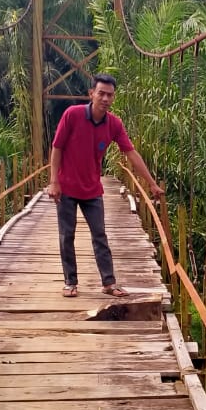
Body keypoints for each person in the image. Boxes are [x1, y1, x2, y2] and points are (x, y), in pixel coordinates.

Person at [46, 73, 163, 298]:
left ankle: (108, 283)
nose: (105, 98)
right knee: (66, 235)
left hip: (92, 189)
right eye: (101, 93)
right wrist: (54, 182)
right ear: (91, 94)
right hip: (67, 187)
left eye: (110, 95)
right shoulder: (73, 115)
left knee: (100, 235)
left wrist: (152, 184)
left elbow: (131, 153)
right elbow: (57, 147)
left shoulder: (114, 124)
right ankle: (70, 282)